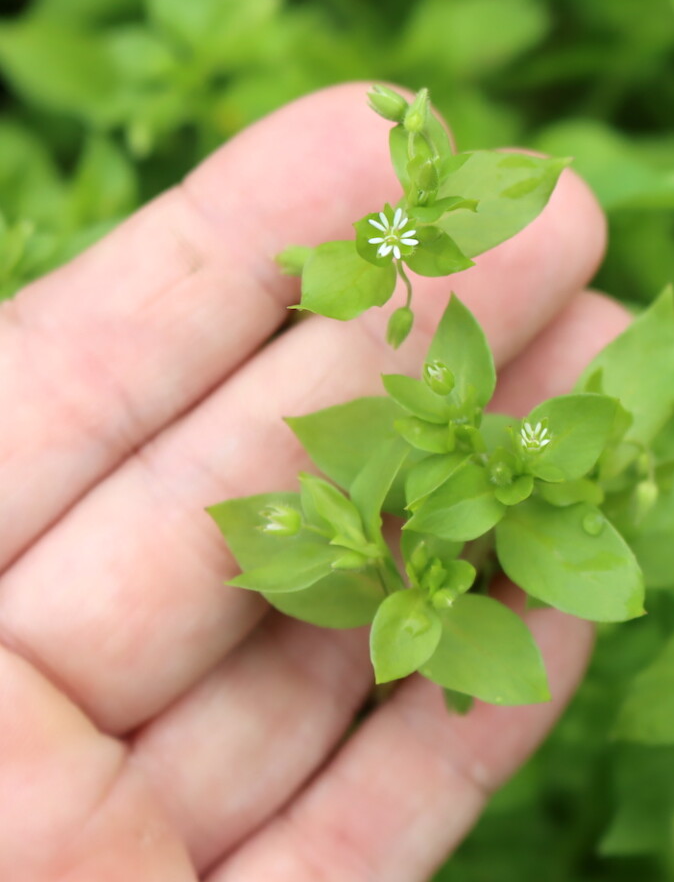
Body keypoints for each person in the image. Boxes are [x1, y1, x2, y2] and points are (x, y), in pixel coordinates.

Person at [0, 84, 626, 880]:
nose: (394, 232)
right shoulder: (385, 259)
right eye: (395, 229)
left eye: (401, 228)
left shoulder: (421, 266)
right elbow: (370, 264)